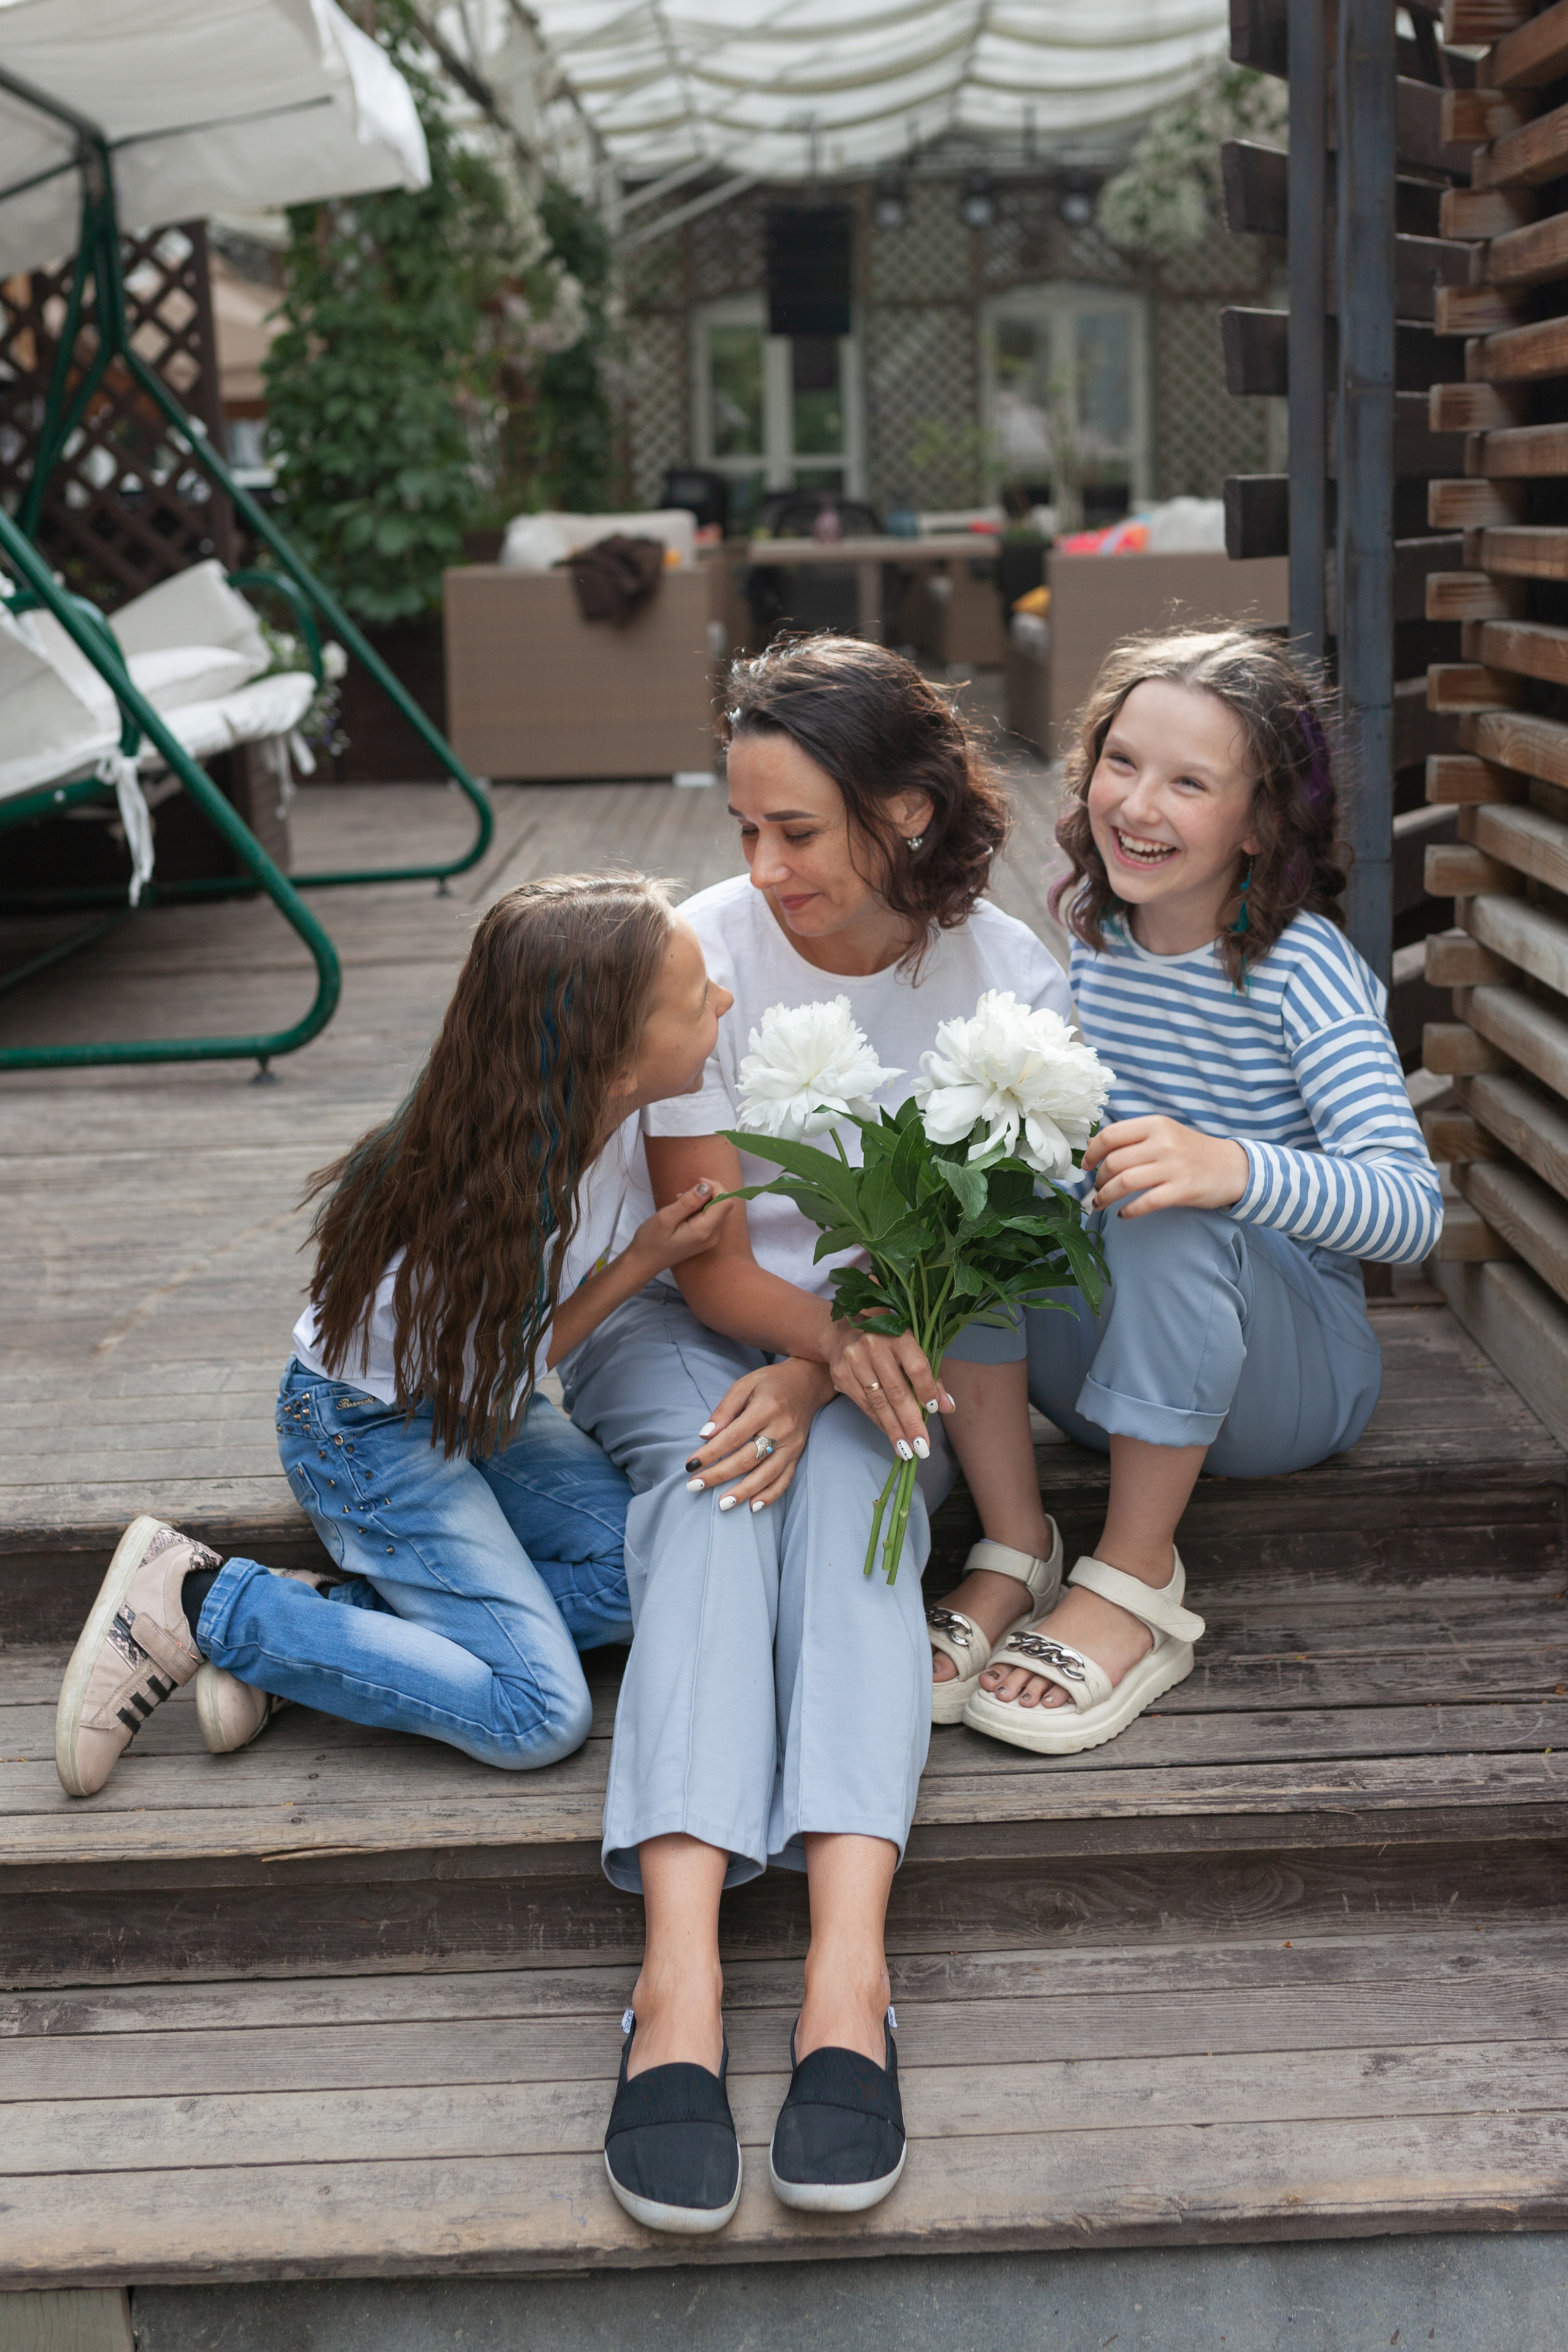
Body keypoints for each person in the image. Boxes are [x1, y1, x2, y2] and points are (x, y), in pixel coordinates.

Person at [563, 635, 1076, 2236]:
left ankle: (849, 1979)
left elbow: (976, 1269)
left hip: (887, 1356)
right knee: (719, 1488)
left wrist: (830, 1377)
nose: (761, 863)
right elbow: (709, 1263)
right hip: (671, 1322)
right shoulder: (698, 954)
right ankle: (678, 1986)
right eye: (744, 827)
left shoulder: (1006, 980)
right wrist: (808, 1360)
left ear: (905, 812)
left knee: (858, 1508)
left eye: (793, 829)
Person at [55, 875, 736, 1800]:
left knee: (656, 1564)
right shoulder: (484, 1203)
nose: (722, 1002)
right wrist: (641, 1262)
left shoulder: (594, 1113)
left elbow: (500, 1380)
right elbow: (520, 1362)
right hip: (368, 1433)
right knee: (539, 1715)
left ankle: (330, 1631)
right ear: (613, 1060)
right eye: (697, 1003)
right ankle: (200, 1602)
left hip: (477, 1408)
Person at [923, 627, 1442, 1755]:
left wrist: (1233, 1167)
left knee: (1172, 1207)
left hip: (1290, 1384)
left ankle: (1133, 1579)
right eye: (1122, 761)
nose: (1139, 804)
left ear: (1262, 822)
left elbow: (1411, 1207)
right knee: (977, 1189)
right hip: (1116, 1377)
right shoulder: (1092, 933)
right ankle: (1016, 1547)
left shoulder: (1304, 970)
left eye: (1190, 783)